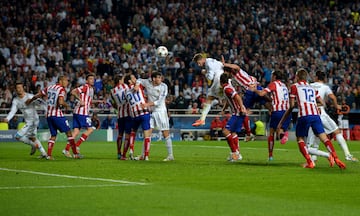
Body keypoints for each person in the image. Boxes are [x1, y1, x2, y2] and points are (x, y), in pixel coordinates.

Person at [277, 68, 346, 169]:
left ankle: (310, 162)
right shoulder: (311, 87)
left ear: (297, 77)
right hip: (315, 115)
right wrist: (310, 103)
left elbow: (291, 106)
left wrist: (281, 122)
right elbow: (322, 103)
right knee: (324, 138)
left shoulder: (294, 86)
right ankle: (336, 157)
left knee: (300, 139)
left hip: (304, 115)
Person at [307, 71, 358, 162]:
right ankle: (347, 155)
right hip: (320, 112)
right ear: (324, 79)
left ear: (316, 77)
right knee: (337, 131)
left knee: (317, 134)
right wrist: (336, 106)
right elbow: (333, 97)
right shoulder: (325, 87)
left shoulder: (309, 85)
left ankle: (313, 158)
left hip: (310, 112)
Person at [26, 75, 81, 160]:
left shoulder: (50, 87)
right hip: (57, 115)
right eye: (66, 81)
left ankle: (49, 155)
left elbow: (39, 95)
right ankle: (75, 154)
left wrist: (30, 100)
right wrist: (67, 106)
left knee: (53, 135)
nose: (67, 83)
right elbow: (61, 102)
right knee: (69, 133)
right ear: (60, 81)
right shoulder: (62, 89)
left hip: (49, 115)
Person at [249, 70, 291, 161]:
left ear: (275, 76)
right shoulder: (284, 86)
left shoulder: (273, 84)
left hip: (277, 111)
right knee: (280, 129)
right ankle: (284, 133)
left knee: (271, 133)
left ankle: (270, 156)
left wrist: (254, 89)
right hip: (287, 111)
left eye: (272, 76)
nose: (271, 77)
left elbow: (261, 94)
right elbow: (273, 98)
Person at [136, 71, 174, 161]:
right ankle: (143, 155)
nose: (160, 79)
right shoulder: (148, 82)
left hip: (160, 112)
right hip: (151, 112)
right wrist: (137, 85)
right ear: (153, 78)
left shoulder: (164, 87)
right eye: (158, 77)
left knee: (165, 133)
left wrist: (147, 104)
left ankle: (170, 155)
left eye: (160, 78)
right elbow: (139, 80)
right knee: (147, 133)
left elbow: (159, 101)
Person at [1, 82, 47, 157]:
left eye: (20, 87)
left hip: (33, 120)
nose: (19, 89)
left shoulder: (30, 96)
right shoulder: (16, 100)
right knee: (32, 137)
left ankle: (33, 145)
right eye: (17, 88)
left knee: (17, 136)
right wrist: (7, 118)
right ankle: (43, 153)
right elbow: (13, 111)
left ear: (23, 88)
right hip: (28, 121)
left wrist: (47, 112)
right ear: (15, 90)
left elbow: (42, 103)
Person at [62, 73, 100, 158]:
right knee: (90, 129)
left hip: (78, 112)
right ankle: (77, 146)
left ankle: (66, 149)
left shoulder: (91, 89)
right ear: (87, 80)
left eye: (93, 79)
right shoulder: (85, 87)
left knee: (75, 132)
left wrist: (98, 101)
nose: (92, 80)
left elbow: (89, 101)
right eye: (90, 79)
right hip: (82, 112)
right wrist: (80, 99)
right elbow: (73, 92)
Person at [124, 73, 152, 161]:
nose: (135, 78)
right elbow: (137, 88)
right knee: (147, 135)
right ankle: (146, 156)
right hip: (143, 112)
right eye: (133, 77)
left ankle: (131, 150)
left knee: (133, 132)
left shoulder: (126, 92)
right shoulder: (137, 85)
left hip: (135, 114)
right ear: (129, 81)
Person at [220, 73, 247, 161]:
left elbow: (237, 97)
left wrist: (242, 107)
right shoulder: (228, 87)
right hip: (238, 112)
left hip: (237, 112)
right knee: (233, 132)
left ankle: (234, 153)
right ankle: (237, 154)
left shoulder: (227, 89)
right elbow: (229, 100)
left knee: (225, 131)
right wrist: (223, 109)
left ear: (220, 82)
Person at [191, 53, 224, 127]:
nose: (199, 65)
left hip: (217, 80)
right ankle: (202, 119)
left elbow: (210, 77)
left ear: (202, 59)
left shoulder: (208, 64)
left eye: (198, 63)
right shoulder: (211, 60)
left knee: (214, 99)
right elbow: (222, 65)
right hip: (221, 78)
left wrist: (204, 73)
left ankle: (202, 120)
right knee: (209, 98)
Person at [110, 74, 134, 160]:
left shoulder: (112, 91)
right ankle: (124, 155)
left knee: (120, 135)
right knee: (127, 135)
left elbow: (114, 104)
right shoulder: (125, 86)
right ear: (120, 81)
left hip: (120, 114)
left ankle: (118, 153)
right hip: (128, 114)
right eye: (123, 79)